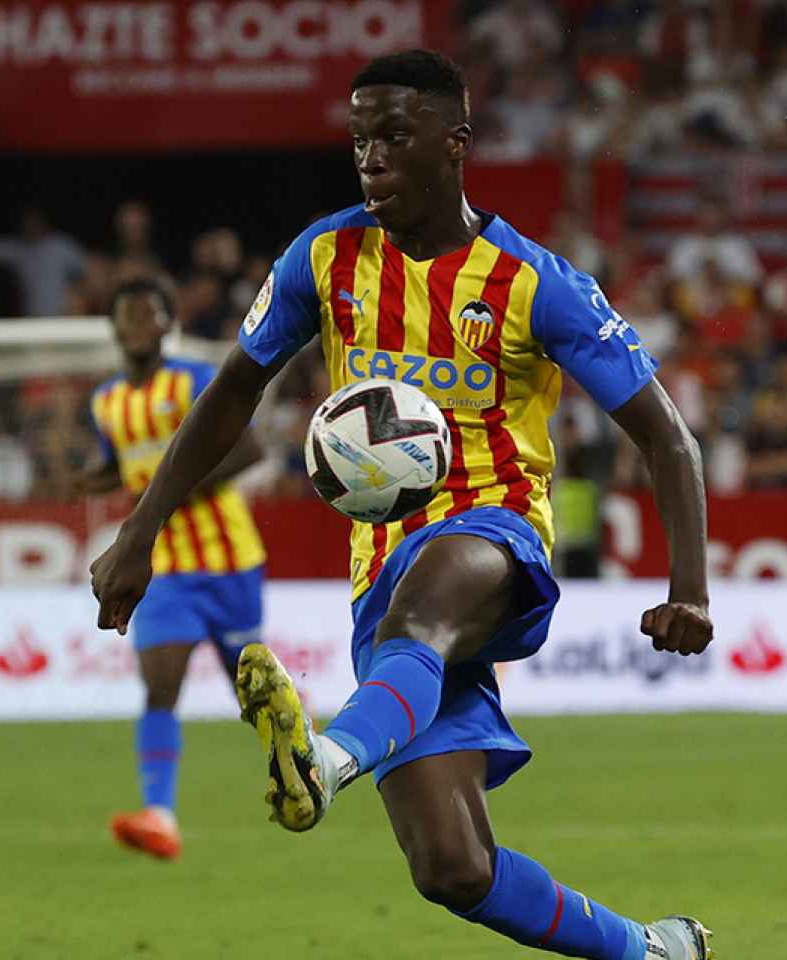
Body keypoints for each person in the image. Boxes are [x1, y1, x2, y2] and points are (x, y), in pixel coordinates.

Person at [89, 51, 714, 960]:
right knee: (453, 868)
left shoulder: (533, 283)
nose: (371, 159)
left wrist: (688, 587)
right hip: (382, 569)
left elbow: (667, 435)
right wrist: (137, 531)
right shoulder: (326, 257)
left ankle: (326, 760)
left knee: (425, 603)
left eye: (394, 137)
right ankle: (653, 950)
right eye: (358, 141)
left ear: (455, 145)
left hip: (495, 534)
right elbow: (230, 394)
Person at [74, 277, 265, 861]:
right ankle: (160, 814)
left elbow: (250, 450)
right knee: (160, 685)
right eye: (127, 314)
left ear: (166, 324)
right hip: (159, 564)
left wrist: (171, 489)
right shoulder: (106, 402)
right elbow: (123, 465)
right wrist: (91, 480)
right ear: (115, 328)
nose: (138, 324)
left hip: (229, 556)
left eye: (149, 313)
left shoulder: (197, 381)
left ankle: (308, 762)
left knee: (255, 690)